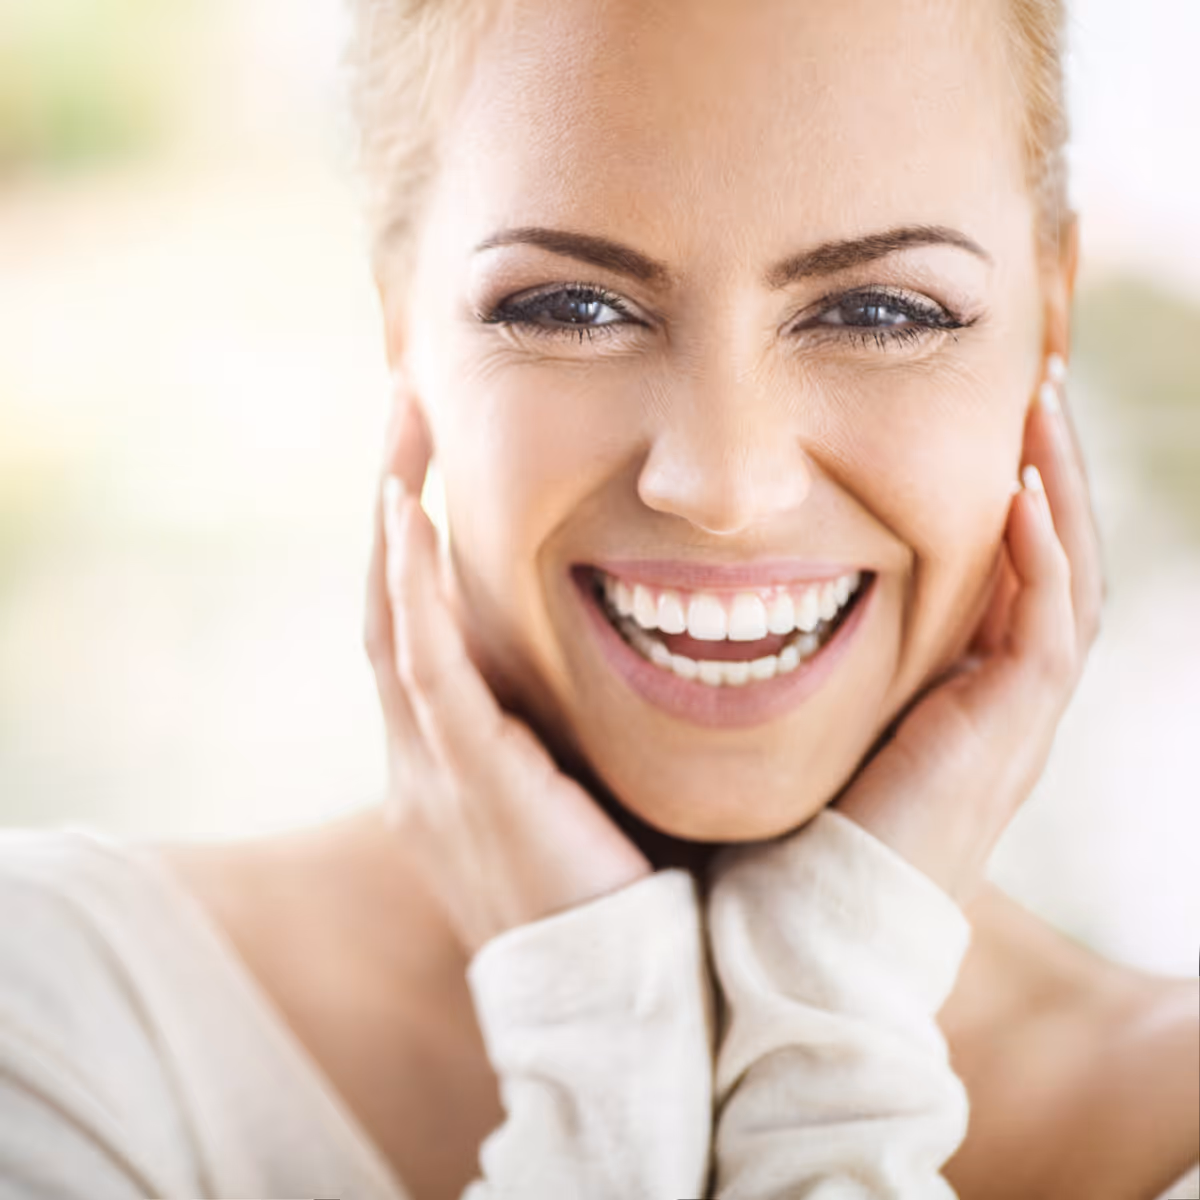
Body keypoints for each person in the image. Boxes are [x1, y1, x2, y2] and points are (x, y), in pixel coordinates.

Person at [0, 0, 1196, 1197]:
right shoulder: (60, 1029)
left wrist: (835, 1006)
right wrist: (602, 1047)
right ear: (398, 317)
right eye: (573, 307)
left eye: (878, 312)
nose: (723, 486)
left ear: (1053, 306)